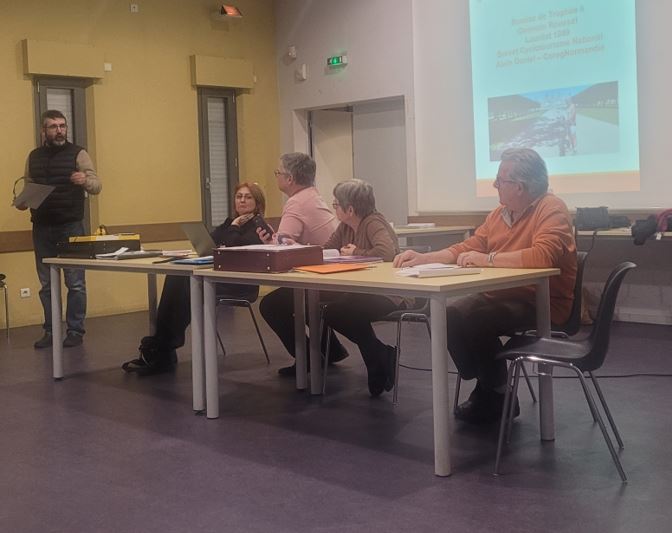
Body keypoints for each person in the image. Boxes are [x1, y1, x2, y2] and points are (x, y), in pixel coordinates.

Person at [394, 147, 576, 423]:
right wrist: (424, 258)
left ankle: (493, 392)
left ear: (520, 187)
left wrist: (488, 259)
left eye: (500, 180)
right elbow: (468, 247)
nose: (494, 185)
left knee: (476, 320)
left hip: (541, 302)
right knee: (445, 314)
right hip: (501, 296)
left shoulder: (551, 208)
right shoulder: (499, 214)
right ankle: (491, 385)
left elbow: (542, 256)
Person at [122, 182, 266, 376]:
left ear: (257, 203)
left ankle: (164, 348)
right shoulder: (230, 222)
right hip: (218, 276)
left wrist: (234, 227)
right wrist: (230, 226)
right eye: (239, 196)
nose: (242, 200)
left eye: (248, 197)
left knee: (189, 283)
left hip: (239, 283)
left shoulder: (258, 227)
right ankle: (163, 345)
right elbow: (211, 241)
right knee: (177, 275)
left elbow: (233, 248)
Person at [15, 110, 102, 349]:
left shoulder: (78, 153)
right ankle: (51, 330)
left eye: (62, 126)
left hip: (71, 226)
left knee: (75, 283)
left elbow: (97, 185)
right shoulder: (34, 156)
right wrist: (22, 202)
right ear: (44, 131)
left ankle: (75, 331)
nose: (59, 130)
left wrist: (85, 181)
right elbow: (28, 186)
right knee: (46, 285)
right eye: (53, 126)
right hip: (42, 227)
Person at [257, 152, 346, 376]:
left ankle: (308, 358)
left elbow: (284, 244)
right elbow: (287, 241)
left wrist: (272, 241)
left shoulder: (296, 203)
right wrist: (275, 240)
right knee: (296, 299)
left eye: (278, 173)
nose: (276, 176)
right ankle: (331, 350)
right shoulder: (312, 196)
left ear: (290, 178)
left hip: (323, 278)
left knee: (271, 305)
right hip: (335, 272)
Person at [321, 179, 409, 397]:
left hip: (391, 293)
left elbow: (387, 253)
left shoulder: (373, 223)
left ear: (350, 209)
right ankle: (379, 355)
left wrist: (356, 252)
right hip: (364, 291)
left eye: (336, 205)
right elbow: (326, 250)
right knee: (334, 311)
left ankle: (377, 359)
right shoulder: (345, 227)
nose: (334, 209)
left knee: (343, 310)